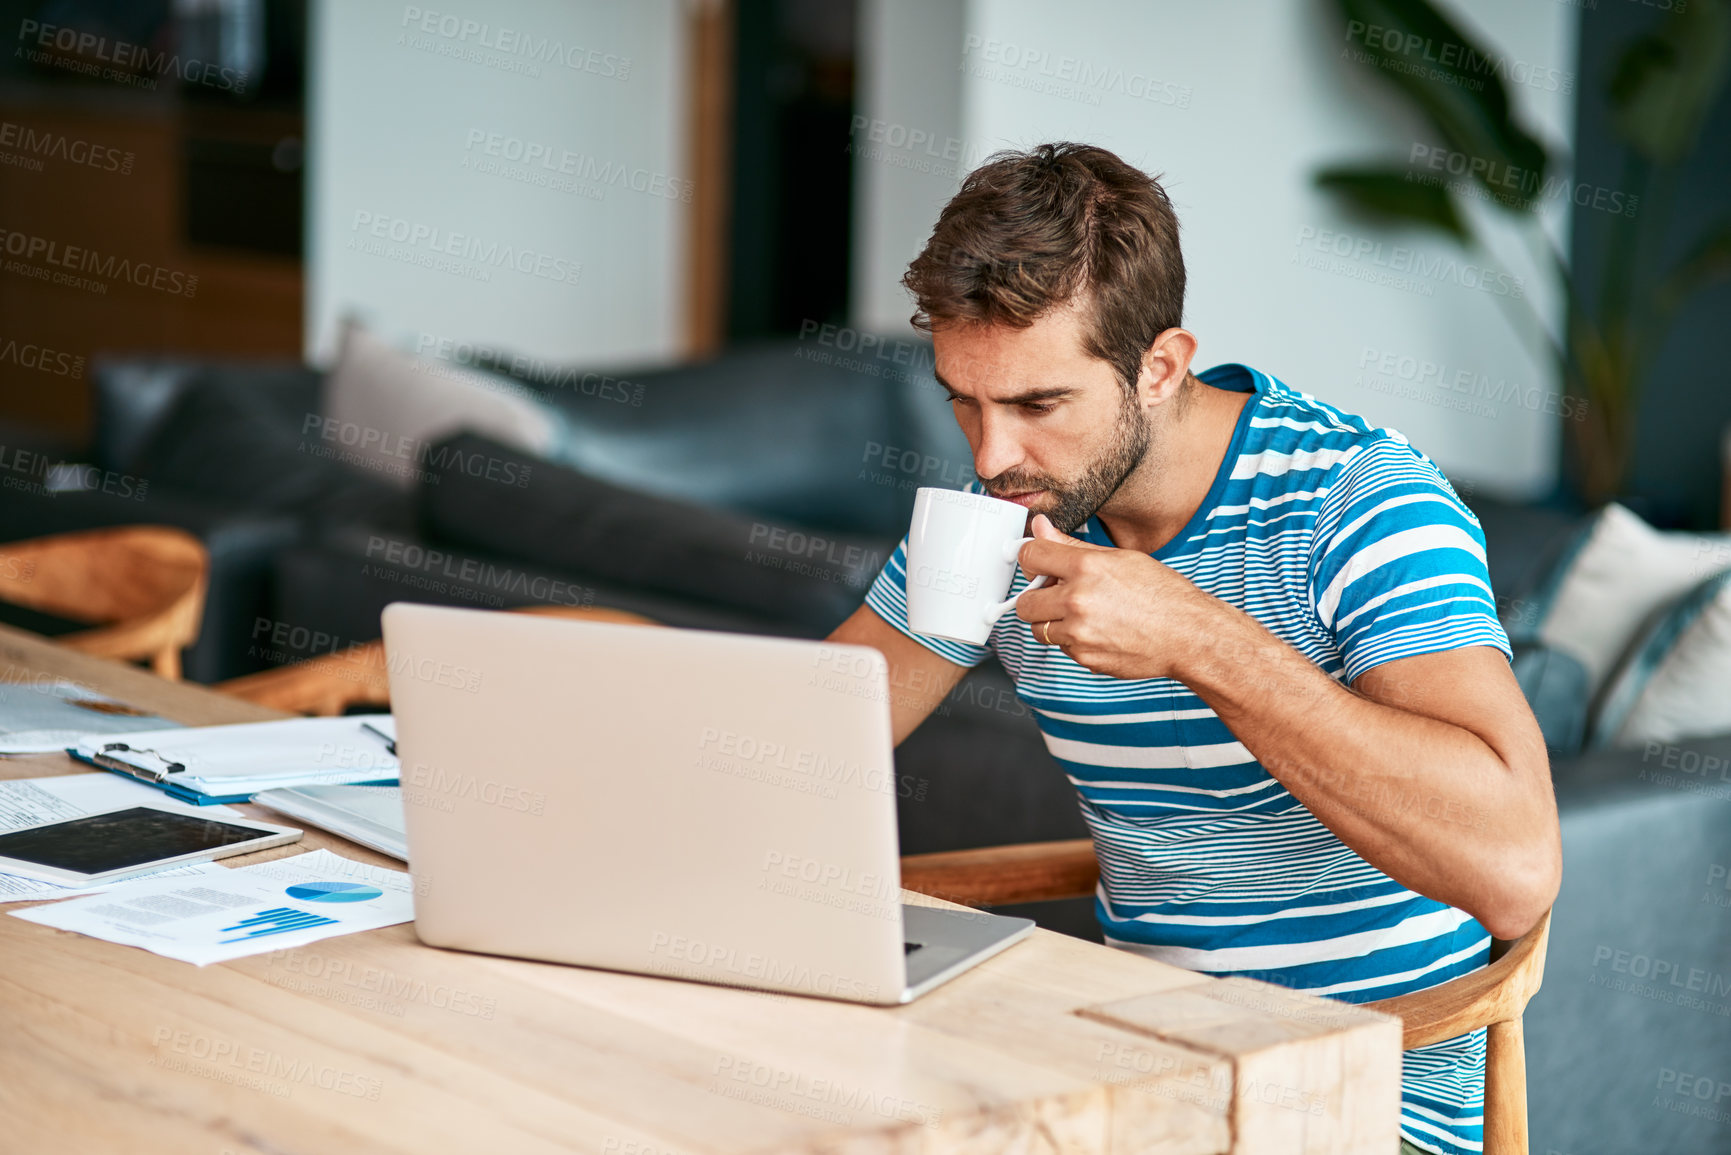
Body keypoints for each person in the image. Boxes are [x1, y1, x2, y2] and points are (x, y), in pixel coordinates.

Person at [826, 141, 1561, 1155]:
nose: (991, 455)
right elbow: (812, 745)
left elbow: (1517, 866)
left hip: (1372, 1096)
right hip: (1139, 1072)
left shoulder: (1360, 504)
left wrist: (1199, 640)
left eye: (1039, 405)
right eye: (964, 398)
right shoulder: (995, 514)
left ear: (1161, 366)